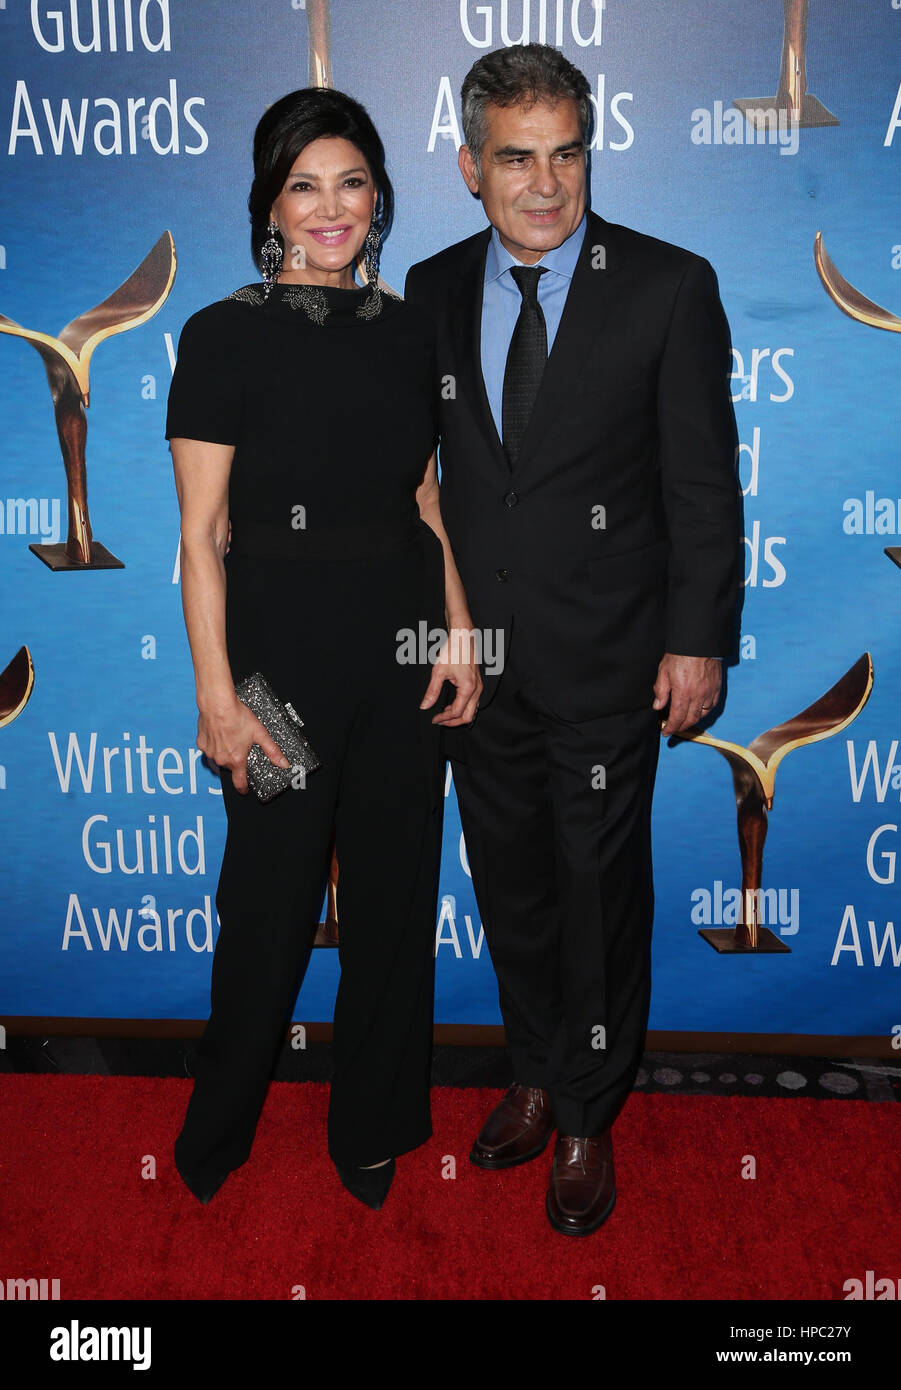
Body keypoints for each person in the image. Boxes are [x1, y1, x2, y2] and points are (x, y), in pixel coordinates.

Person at [404, 44, 741, 1236]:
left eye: (566, 155)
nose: (545, 185)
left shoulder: (665, 284)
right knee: (513, 888)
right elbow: (419, 476)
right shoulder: (432, 288)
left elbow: (703, 487)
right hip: (477, 669)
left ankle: (591, 1112)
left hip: (609, 661)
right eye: (516, 158)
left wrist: (697, 640)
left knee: (597, 890)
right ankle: (536, 1073)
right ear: (469, 167)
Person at [165, 87, 481, 1211]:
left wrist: (457, 632)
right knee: (267, 899)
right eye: (306, 184)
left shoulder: (409, 331)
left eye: (352, 182)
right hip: (276, 665)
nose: (332, 206)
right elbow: (201, 538)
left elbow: (425, 496)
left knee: (396, 897)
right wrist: (216, 697)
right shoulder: (221, 333)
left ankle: (374, 1123)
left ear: (380, 198)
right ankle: (218, 1122)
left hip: (398, 647)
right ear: (271, 204)